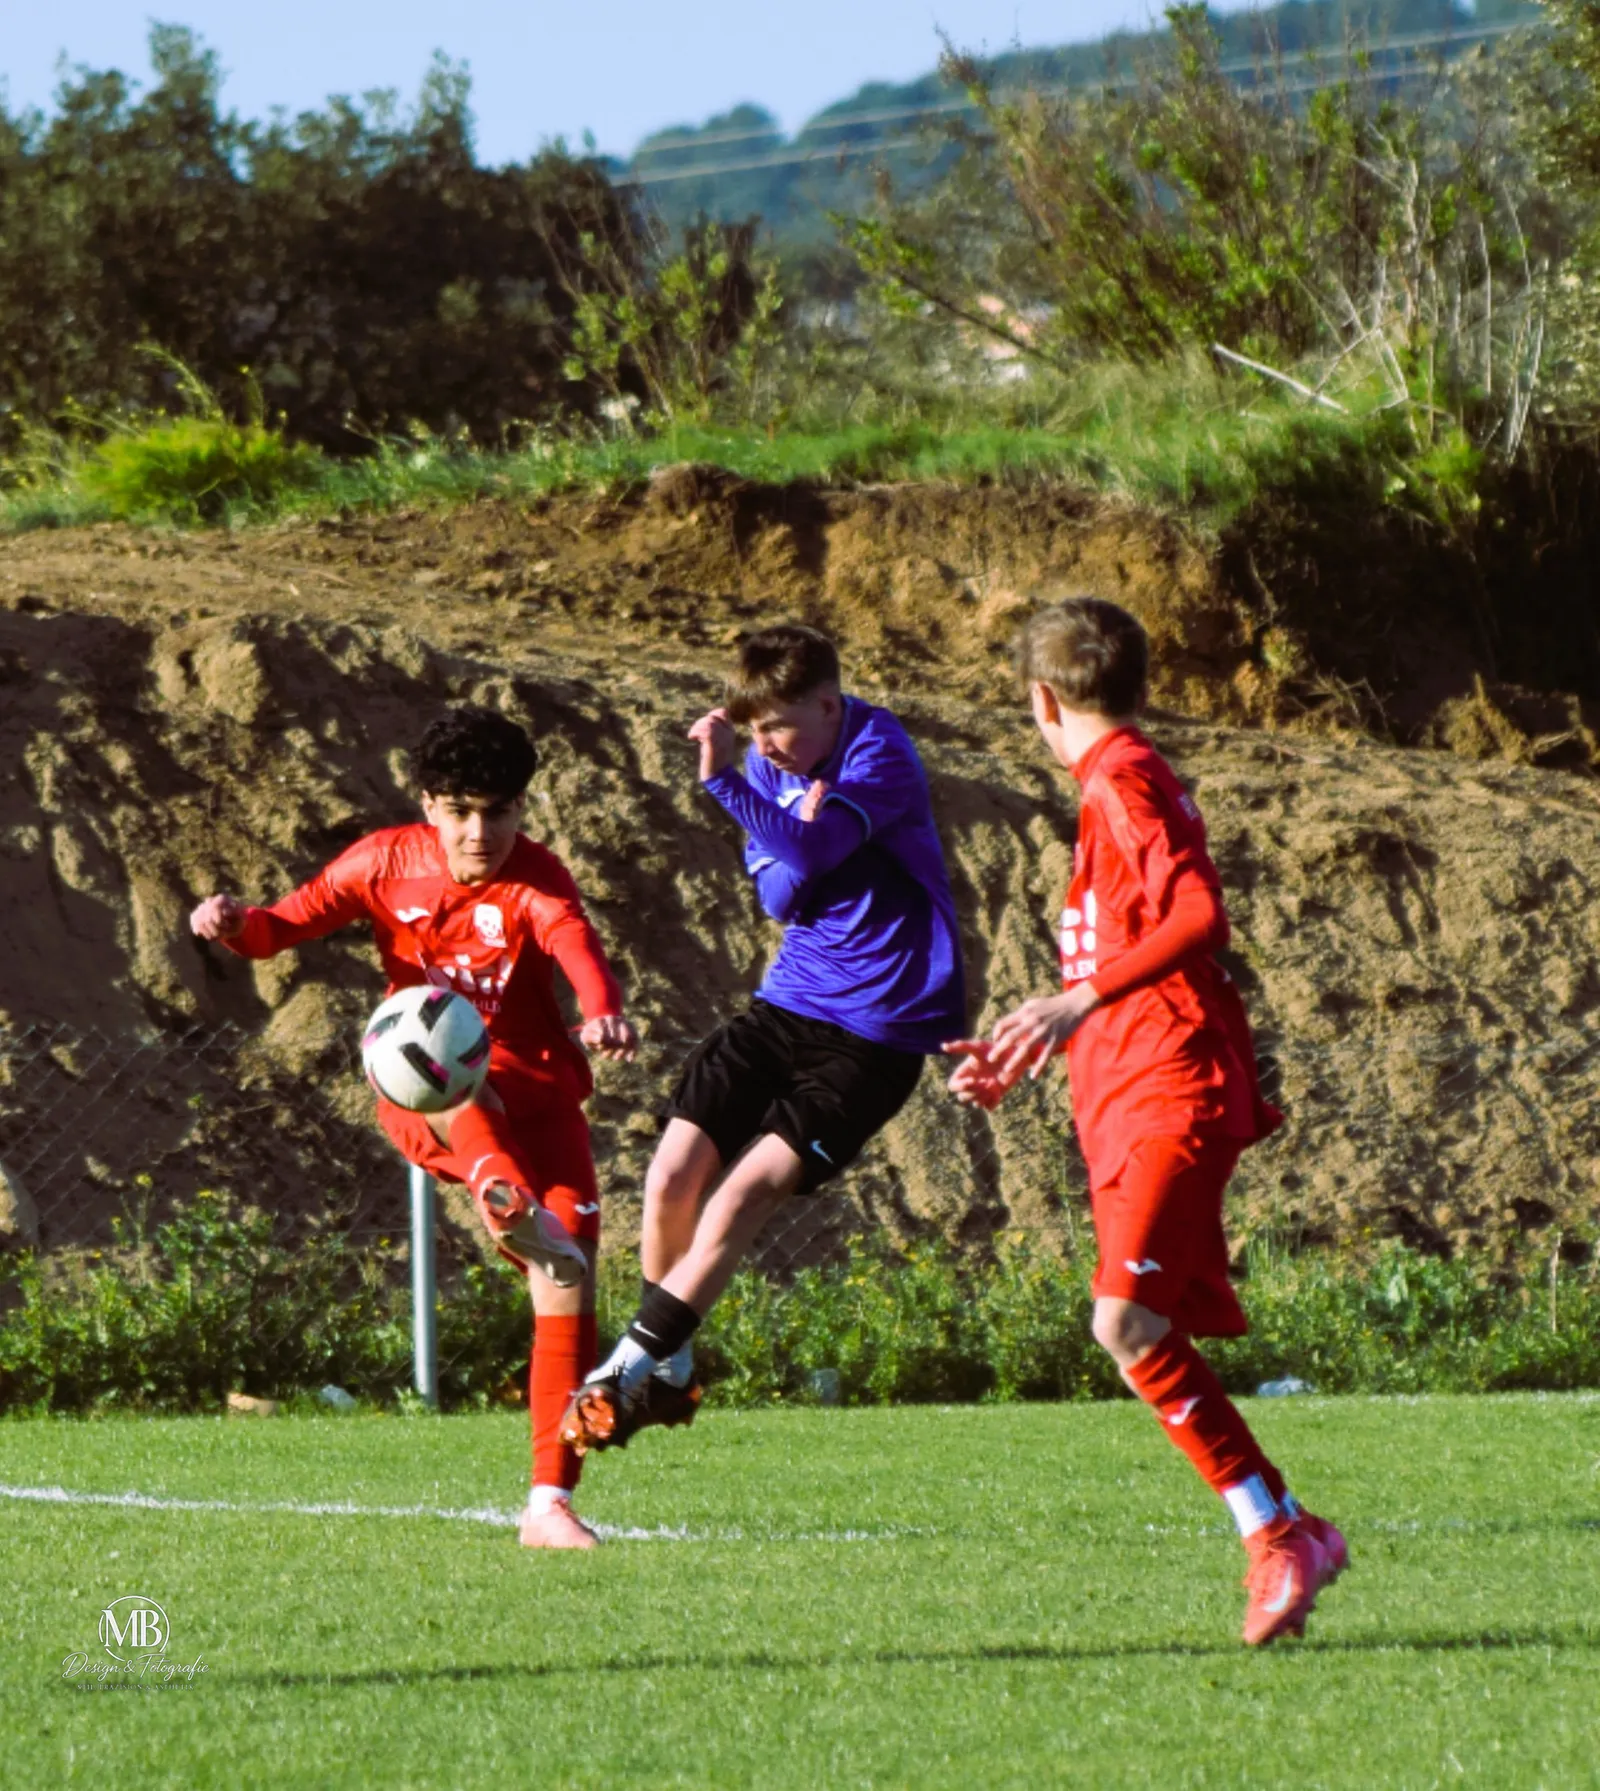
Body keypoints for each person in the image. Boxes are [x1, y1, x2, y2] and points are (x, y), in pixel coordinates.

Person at [944, 599, 1347, 1647]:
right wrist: (1043, 1036)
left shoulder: (1119, 780)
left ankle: (1277, 1533)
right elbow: (1126, 952)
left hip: (1169, 1086)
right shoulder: (1121, 781)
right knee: (1138, 1327)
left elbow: (1200, 914)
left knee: (1123, 1324)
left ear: (1041, 701)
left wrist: (1073, 1003)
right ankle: (1289, 1526)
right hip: (1127, 1087)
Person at [189, 704, 638, 1550]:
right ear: (429, 803)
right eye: (460, 810)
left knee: (569, 1272)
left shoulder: (538, 878)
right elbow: (283, 926)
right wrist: (234, 922)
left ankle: (548, 1504)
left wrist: (603, 1009)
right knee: (450, 1070)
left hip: (540, 1095)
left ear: (522, 807)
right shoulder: (382, 861)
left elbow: (574, 942)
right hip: (426, 1089)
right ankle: (496, 1184)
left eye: (498, 812)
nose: (479, 832)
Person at [560, 623, 965, 1453]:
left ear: (828, 705)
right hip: (786, 1004)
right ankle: (672, 1367)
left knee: (741, 1197)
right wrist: (785, 823)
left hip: (874, 1036)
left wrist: (730, 790)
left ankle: (625, 1368)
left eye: (778, 725)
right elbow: (782, 893)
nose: (765, 747)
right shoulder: (768, 766)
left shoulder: (878, 748)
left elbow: (813, 848)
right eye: (752, 730)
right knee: (671, 1174)